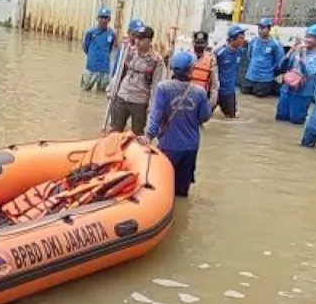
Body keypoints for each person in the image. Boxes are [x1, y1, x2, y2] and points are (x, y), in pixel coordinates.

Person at [143, 51, 211, 198]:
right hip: (190, 147)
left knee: (163, 187)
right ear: (191, 69)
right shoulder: (200, 92)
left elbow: (155, 114)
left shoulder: (163, 88)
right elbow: (204, 117)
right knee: (181, 191)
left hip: (168, 145)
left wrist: (148, 135)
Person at [106, 24, 162, 134]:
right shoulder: (129, 53)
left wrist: (153, 106)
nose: (137, 41)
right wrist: (111, 88)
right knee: (115, 130)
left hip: (139, 100)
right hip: (122, 96)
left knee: (137, 133)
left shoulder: (156, 60)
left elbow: (156, 85)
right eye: (137, 38)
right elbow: (119, 73)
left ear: (149, 41)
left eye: (141, 39)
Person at [275, 24, 316, 125]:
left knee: (296, 121)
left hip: (302, 94)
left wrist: (301, 55)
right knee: (280, 119)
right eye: (307, 36)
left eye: (312, 37)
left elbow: (308, 72)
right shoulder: (297, 50)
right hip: (287, 90)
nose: (308, 40)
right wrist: (290, 52)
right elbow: (281, 67)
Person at [242, 18, 284, 97]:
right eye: (259, 28)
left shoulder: (275, 44)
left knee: (259, 94)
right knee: (245, 92)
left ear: (269, 29)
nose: (261, 31)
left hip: (265, 77)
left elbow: (279, 61)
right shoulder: (254, 41)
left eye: (263, 28)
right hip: (251, 75)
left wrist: (270, 70)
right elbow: (249, 55)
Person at [213, 27, 248, 118]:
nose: (243, 40)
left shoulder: (240, 52)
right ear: (232, 39)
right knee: (205, 115)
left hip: (230, 92)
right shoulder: (219, 53)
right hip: (216, 90)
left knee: (231, 117)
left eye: (243, 37)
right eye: (241, 38)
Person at [80, 7, 116, 92]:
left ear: (109, 19)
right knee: (85, 90)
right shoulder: (90, 32)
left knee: (102, 92)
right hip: (91, 66)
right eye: (101, 17)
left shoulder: (111, 33)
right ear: (97, 18)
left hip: (104, 68)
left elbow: (110, 48)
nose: (103, 20)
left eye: (106, 17)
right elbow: (85, 47)